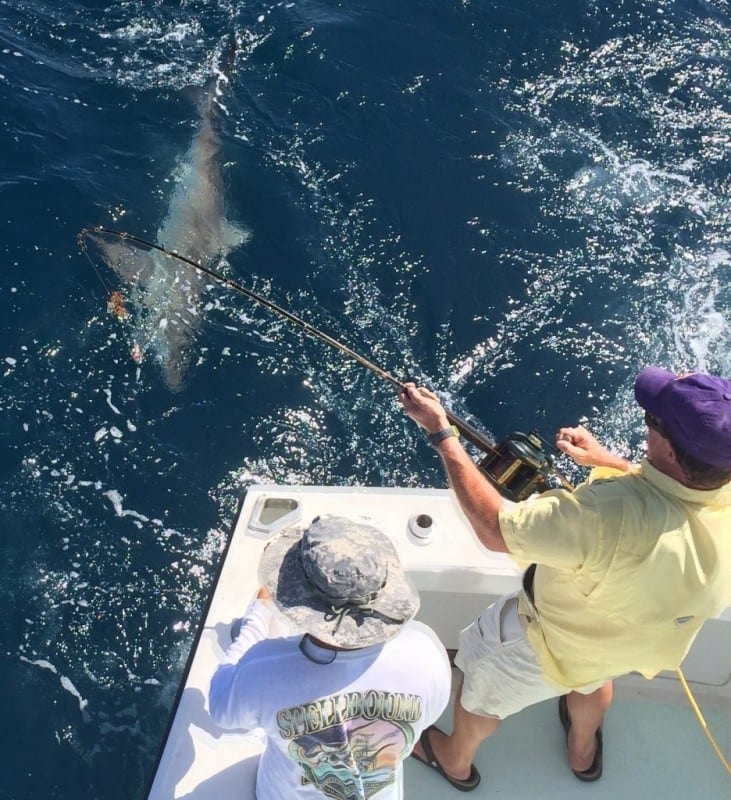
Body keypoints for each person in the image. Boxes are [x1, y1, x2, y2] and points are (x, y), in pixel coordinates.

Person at [398, 366, 731, 789]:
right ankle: (582, 751)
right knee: (593, 680)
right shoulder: (718, 483)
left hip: (546, 645)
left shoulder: (605, 516)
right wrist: (606, 462)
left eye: (653, 420)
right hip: (631, 647)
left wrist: (441, 433)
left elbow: (494, 528)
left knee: (481, 692)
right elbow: (678, 492)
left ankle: (455, 762)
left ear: (670, 450)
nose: (647, 423)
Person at [209, 514, 453, 799]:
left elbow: (221, 709)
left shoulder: (264, 670)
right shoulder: (427, 652)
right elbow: (428, 715)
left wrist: (258, 616)